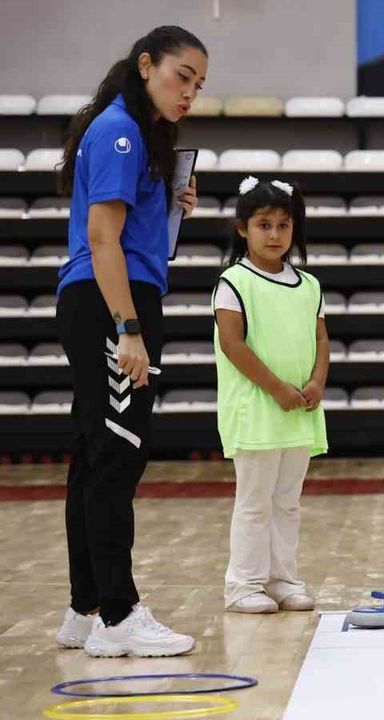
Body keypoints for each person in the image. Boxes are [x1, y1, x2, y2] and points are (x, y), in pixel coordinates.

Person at [54, 26, 206, 658]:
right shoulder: (121, 132)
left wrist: (168, 203)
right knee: (116, 459)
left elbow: (123, 229)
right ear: (146, 65)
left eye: (199, 85)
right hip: (111, 303)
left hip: (101, 300)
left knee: (94, 458)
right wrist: (130, 329)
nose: (189, 93)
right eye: (182, 76)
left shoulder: (134, 136)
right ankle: (118, 614)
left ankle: (83, 608)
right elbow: (101, 239)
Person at [215, 177, 329, 613]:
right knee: (255, 503)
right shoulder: (234, 281)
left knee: (287, 502)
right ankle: (243, 584)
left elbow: (320, 339)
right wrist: (277, 388)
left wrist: (316, 381)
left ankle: (284, 579)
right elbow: (233, 344)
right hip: (257, 411)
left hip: (298, 412)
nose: (275, 235)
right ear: (243, 228)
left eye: (284, 225)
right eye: (265, 225)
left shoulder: (309, 284)